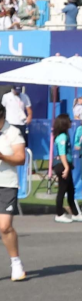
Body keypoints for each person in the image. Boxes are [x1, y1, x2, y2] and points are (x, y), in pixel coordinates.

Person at [0, 107, 26, 281]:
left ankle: (16, 263)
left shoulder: (13, 132)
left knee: (5, 226)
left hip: (6, 184)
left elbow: (20, 158)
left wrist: (2, 156)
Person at [52, 115, 82, 223]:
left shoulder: (64, 135)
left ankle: (75, 213)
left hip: (64, 164)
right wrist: (66, 167)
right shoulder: (62, 137)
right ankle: (59, 214)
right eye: (69, 121)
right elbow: (62, 153)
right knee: (62, 190)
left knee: (71, 190)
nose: (71, 123)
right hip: (62, 165)